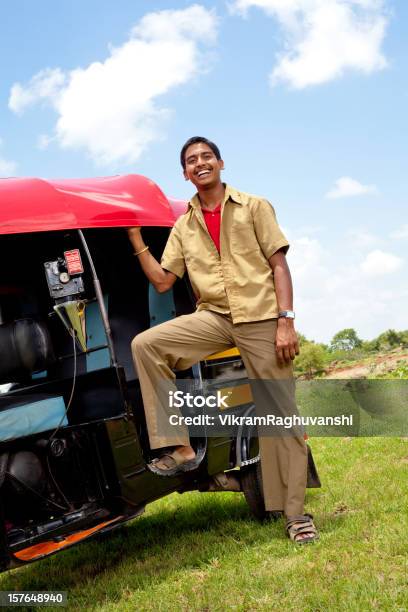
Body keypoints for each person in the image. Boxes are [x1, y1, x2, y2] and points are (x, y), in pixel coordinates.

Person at [127, 136, 318, 544]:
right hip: (213, 318)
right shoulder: (184, 225)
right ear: (185, 173)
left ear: (220, 163)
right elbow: (163, 281)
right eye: (191, 160)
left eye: (206, 157)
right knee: (147, 345)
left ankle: (297, 516)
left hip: (261, 318)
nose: (200, 164)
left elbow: (279, 265)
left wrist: (286, 320)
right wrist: (135, 239)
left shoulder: (254, 206)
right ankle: (177, 447)